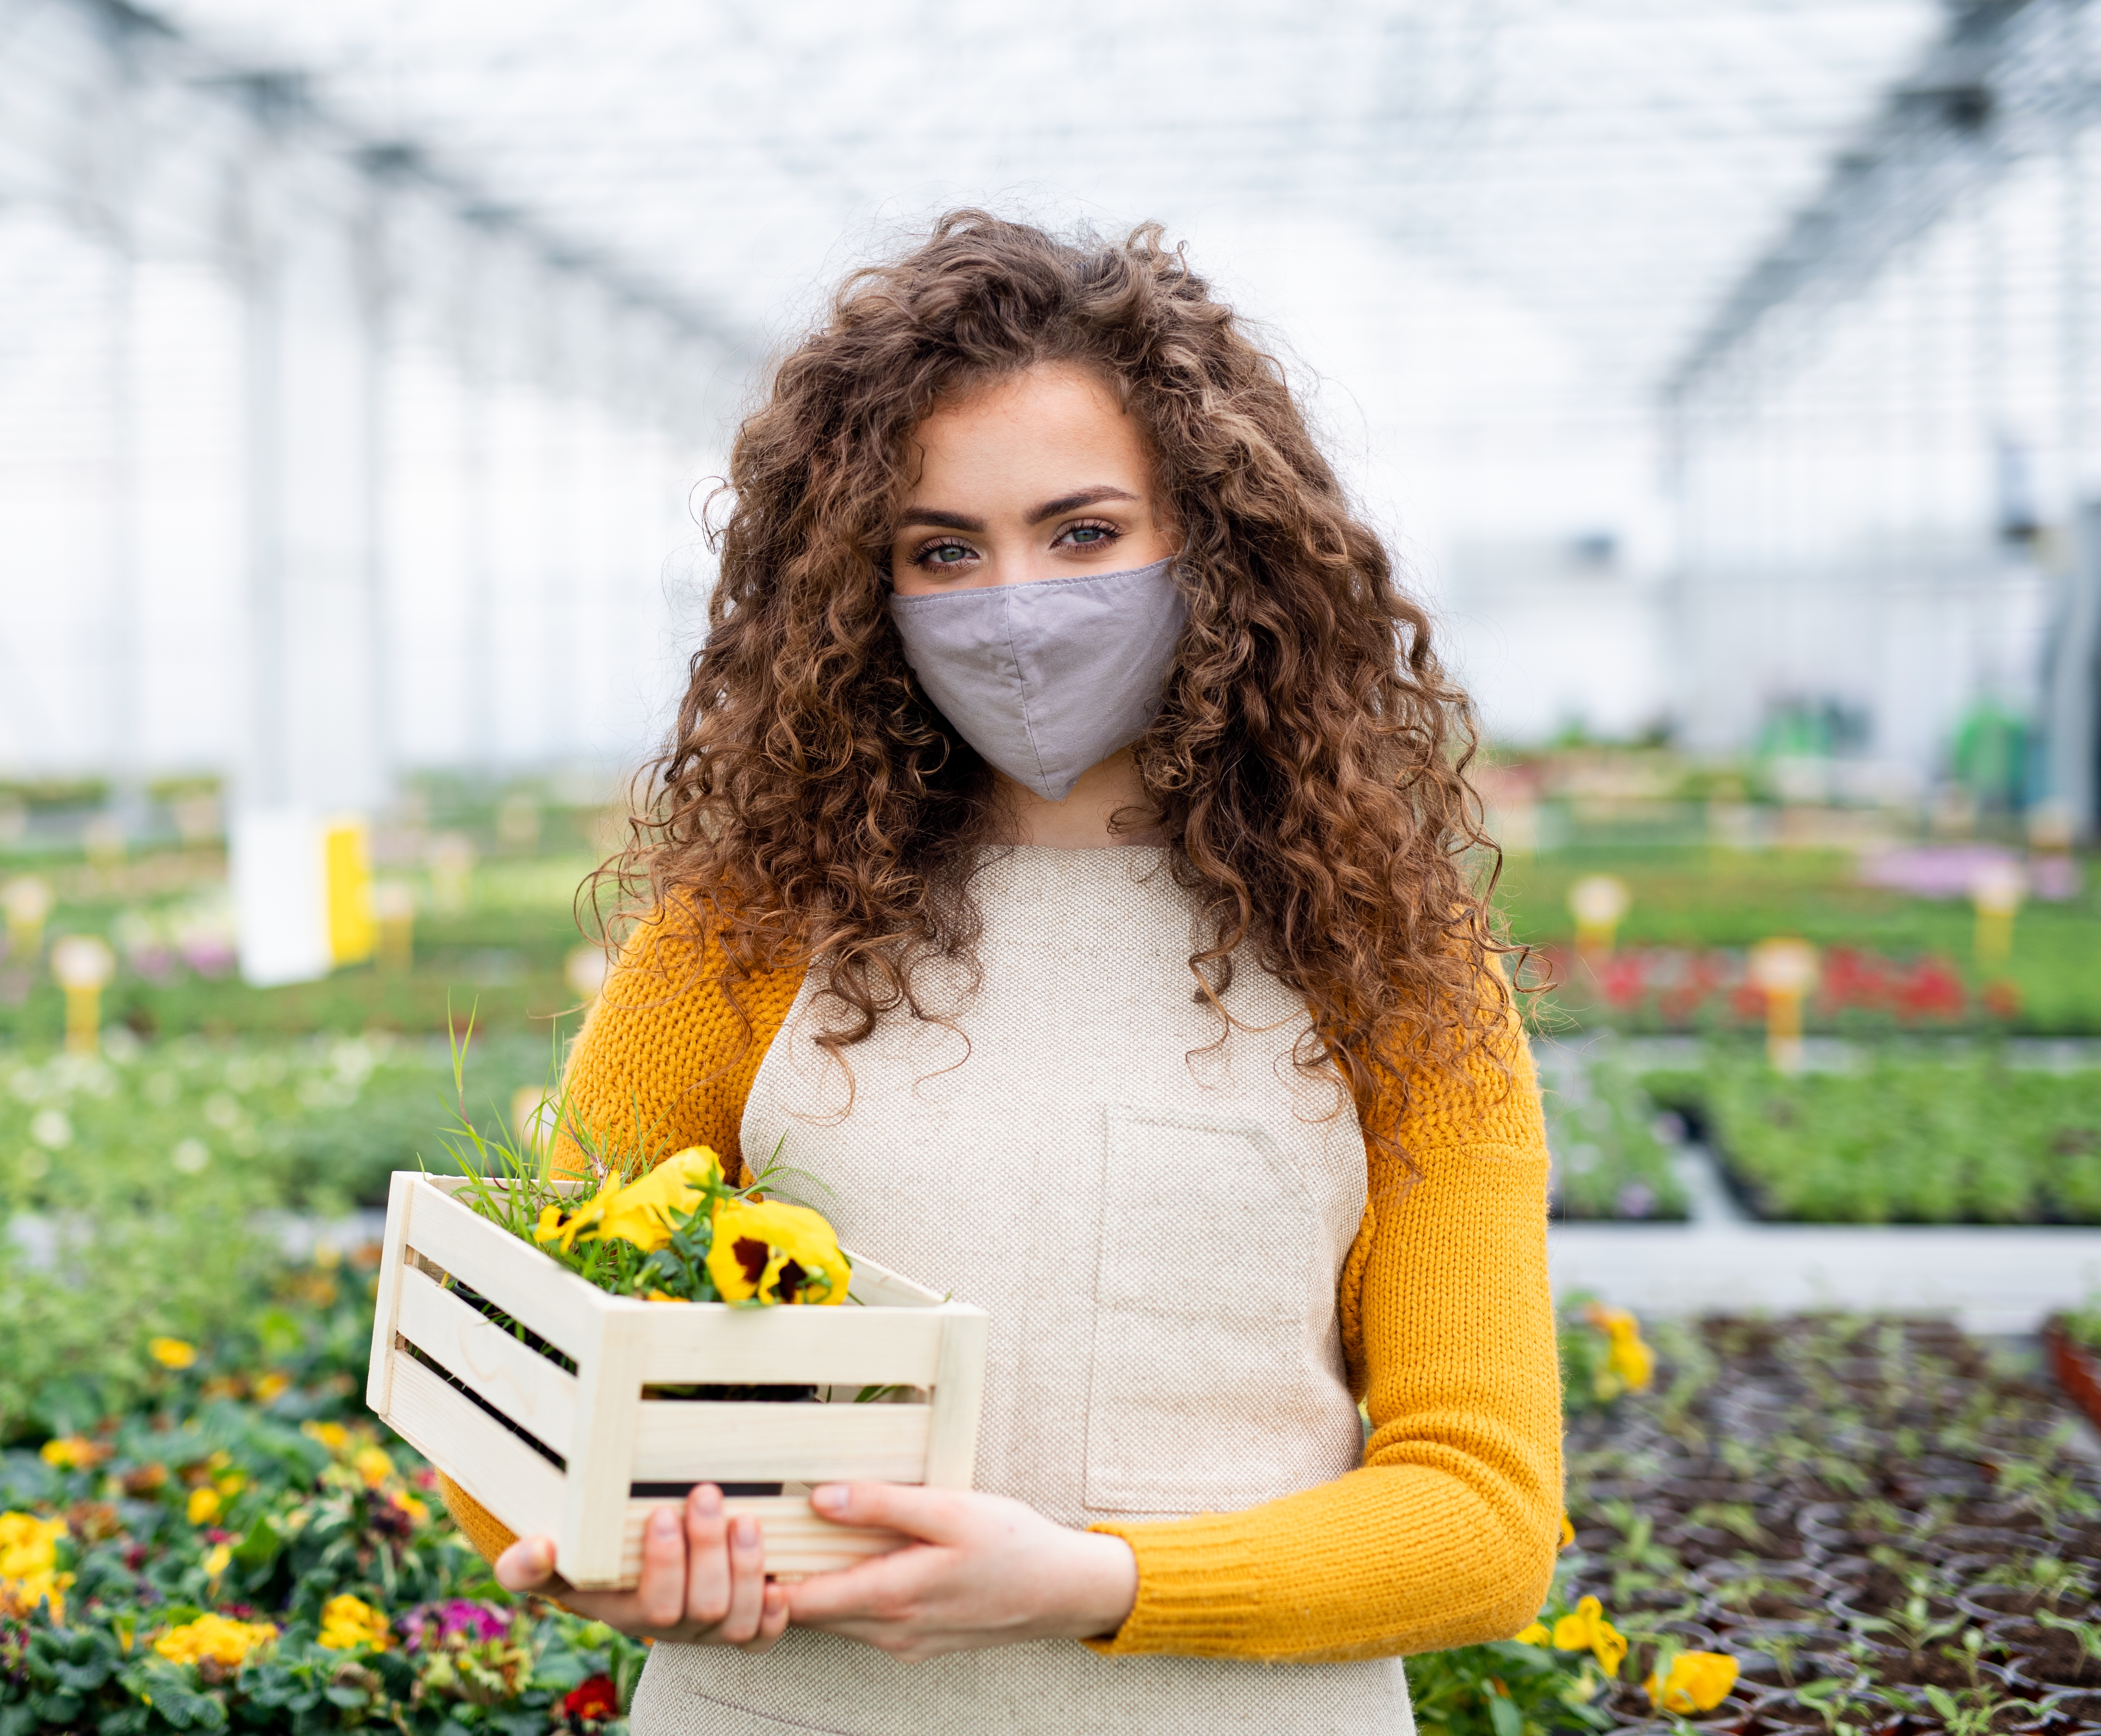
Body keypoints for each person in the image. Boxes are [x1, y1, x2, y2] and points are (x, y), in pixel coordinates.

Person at [445, 211, 1559, 1735]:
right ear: (857, 583)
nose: (1017, 602)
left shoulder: (1392, 967)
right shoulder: (741, 934)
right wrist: (601, 1549)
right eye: (944, 551)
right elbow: (518, 1373)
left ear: (1217, 545)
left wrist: (1096, 1583)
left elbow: (1485, 1515)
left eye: (1085, 533)